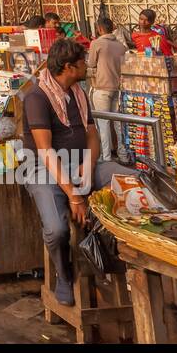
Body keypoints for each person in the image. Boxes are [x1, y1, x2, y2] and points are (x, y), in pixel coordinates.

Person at [22, 38, 133, 305]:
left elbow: (92, 134)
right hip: (44, 169)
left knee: (129, 179)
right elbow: (45, 151)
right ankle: (63, 273)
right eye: (84, 62)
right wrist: (74, 196)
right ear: (70, 67)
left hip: (81, 163)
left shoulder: (78, 92)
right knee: (57, 229)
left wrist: (88, 163)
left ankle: (120, 256)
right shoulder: (37, 98)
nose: (88, 66)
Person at [86, 18, 127, 161]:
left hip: (101, 88)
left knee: (103, 124)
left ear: (99, 29)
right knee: (118, 123)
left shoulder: (96, 44)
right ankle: (123, 155)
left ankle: (106, 157)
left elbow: (91, 64)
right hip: (118, 88)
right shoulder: (121, 46)